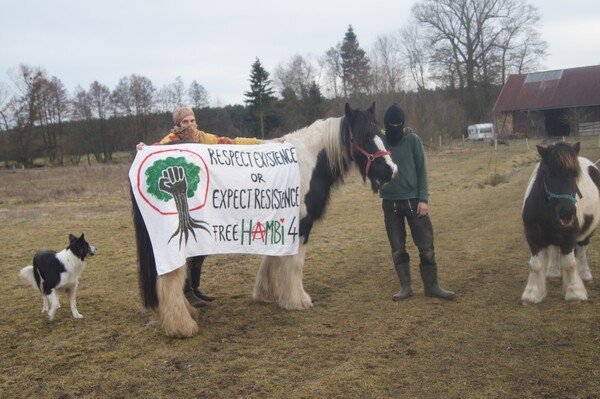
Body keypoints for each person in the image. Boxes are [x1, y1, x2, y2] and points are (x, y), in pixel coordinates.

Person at [136, 107, 264, 307]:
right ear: (178, 124)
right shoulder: (170, 141)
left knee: (201, 245)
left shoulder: (203, 139)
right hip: (180, 202)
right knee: (186, 246)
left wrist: (263, 143)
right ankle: (185, 291)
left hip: (200, 202)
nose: (190, 125)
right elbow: (154, 150)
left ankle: (195, 286)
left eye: (192, 120)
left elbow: (230, 142)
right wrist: (144, 148)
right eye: (185, 122)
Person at [380, 103, 455, 300]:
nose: (394, 128)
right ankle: (406, 287)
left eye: (397, 124)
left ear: (403, 124)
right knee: (397, 248)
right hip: (390, 203)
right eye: (391, 124)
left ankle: (432, 286)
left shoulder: (413, 140)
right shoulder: (379, 142)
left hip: (415, 202)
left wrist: (423, 199)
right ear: (386, 124)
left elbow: (422, 170)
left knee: (426, 246)